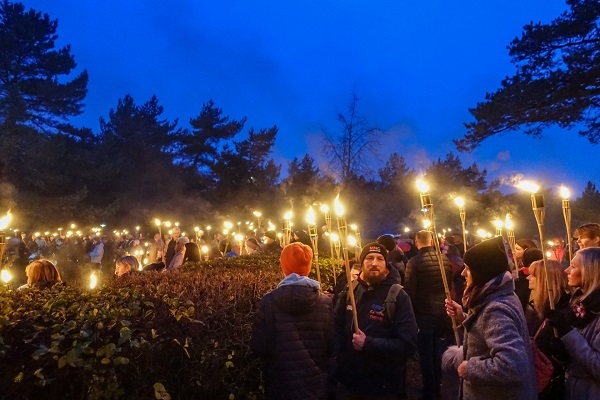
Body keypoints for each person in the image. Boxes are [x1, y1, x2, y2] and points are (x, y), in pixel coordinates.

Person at [442, 236, 536, 400]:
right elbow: (487, 330)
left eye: (468, 268)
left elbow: (513, 365)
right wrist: (462, 317)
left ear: (481, 273)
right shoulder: (498, 294)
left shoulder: (496, 308)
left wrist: (470, 368)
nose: (463, 273)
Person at [333, 242, 418, 399]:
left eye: (380, 259)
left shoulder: (398, 296)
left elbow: (408, 344)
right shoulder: (350, 290)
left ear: (386, 265)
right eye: (369, 258)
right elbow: (337, 325)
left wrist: (368, 343)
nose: (374, 263)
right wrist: (339, 356)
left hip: (383, 385)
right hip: (349, 382)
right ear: (362, 263)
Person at [249, 242, 333, 400]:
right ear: (308, 266)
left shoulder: (269, 302)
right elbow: (330, 345)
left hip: (280, 384)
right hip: (315, 385)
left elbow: (259, 346)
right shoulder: (325, 302)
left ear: (284, 266)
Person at [404, 230, 453, 400]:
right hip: (442, 312)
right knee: (437, 351)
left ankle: (429, 391)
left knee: (425, 354)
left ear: (417, 242)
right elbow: (448, 285)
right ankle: (439, 384)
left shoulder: (414, 262)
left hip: (423, 314)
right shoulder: (444, 260)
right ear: (431, 241)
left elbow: (410, 291)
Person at [547, 247, 600, 398]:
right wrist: (561, 354)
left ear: (590, 271)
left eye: (574, 266)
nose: (566, 270)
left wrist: (567, 334)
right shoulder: (579, 305)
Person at [526, 259, 570, 398]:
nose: (527, 277)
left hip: (552, 386)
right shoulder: (534, 307)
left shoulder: (561, 313)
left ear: (545, 280)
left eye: (533, 275)